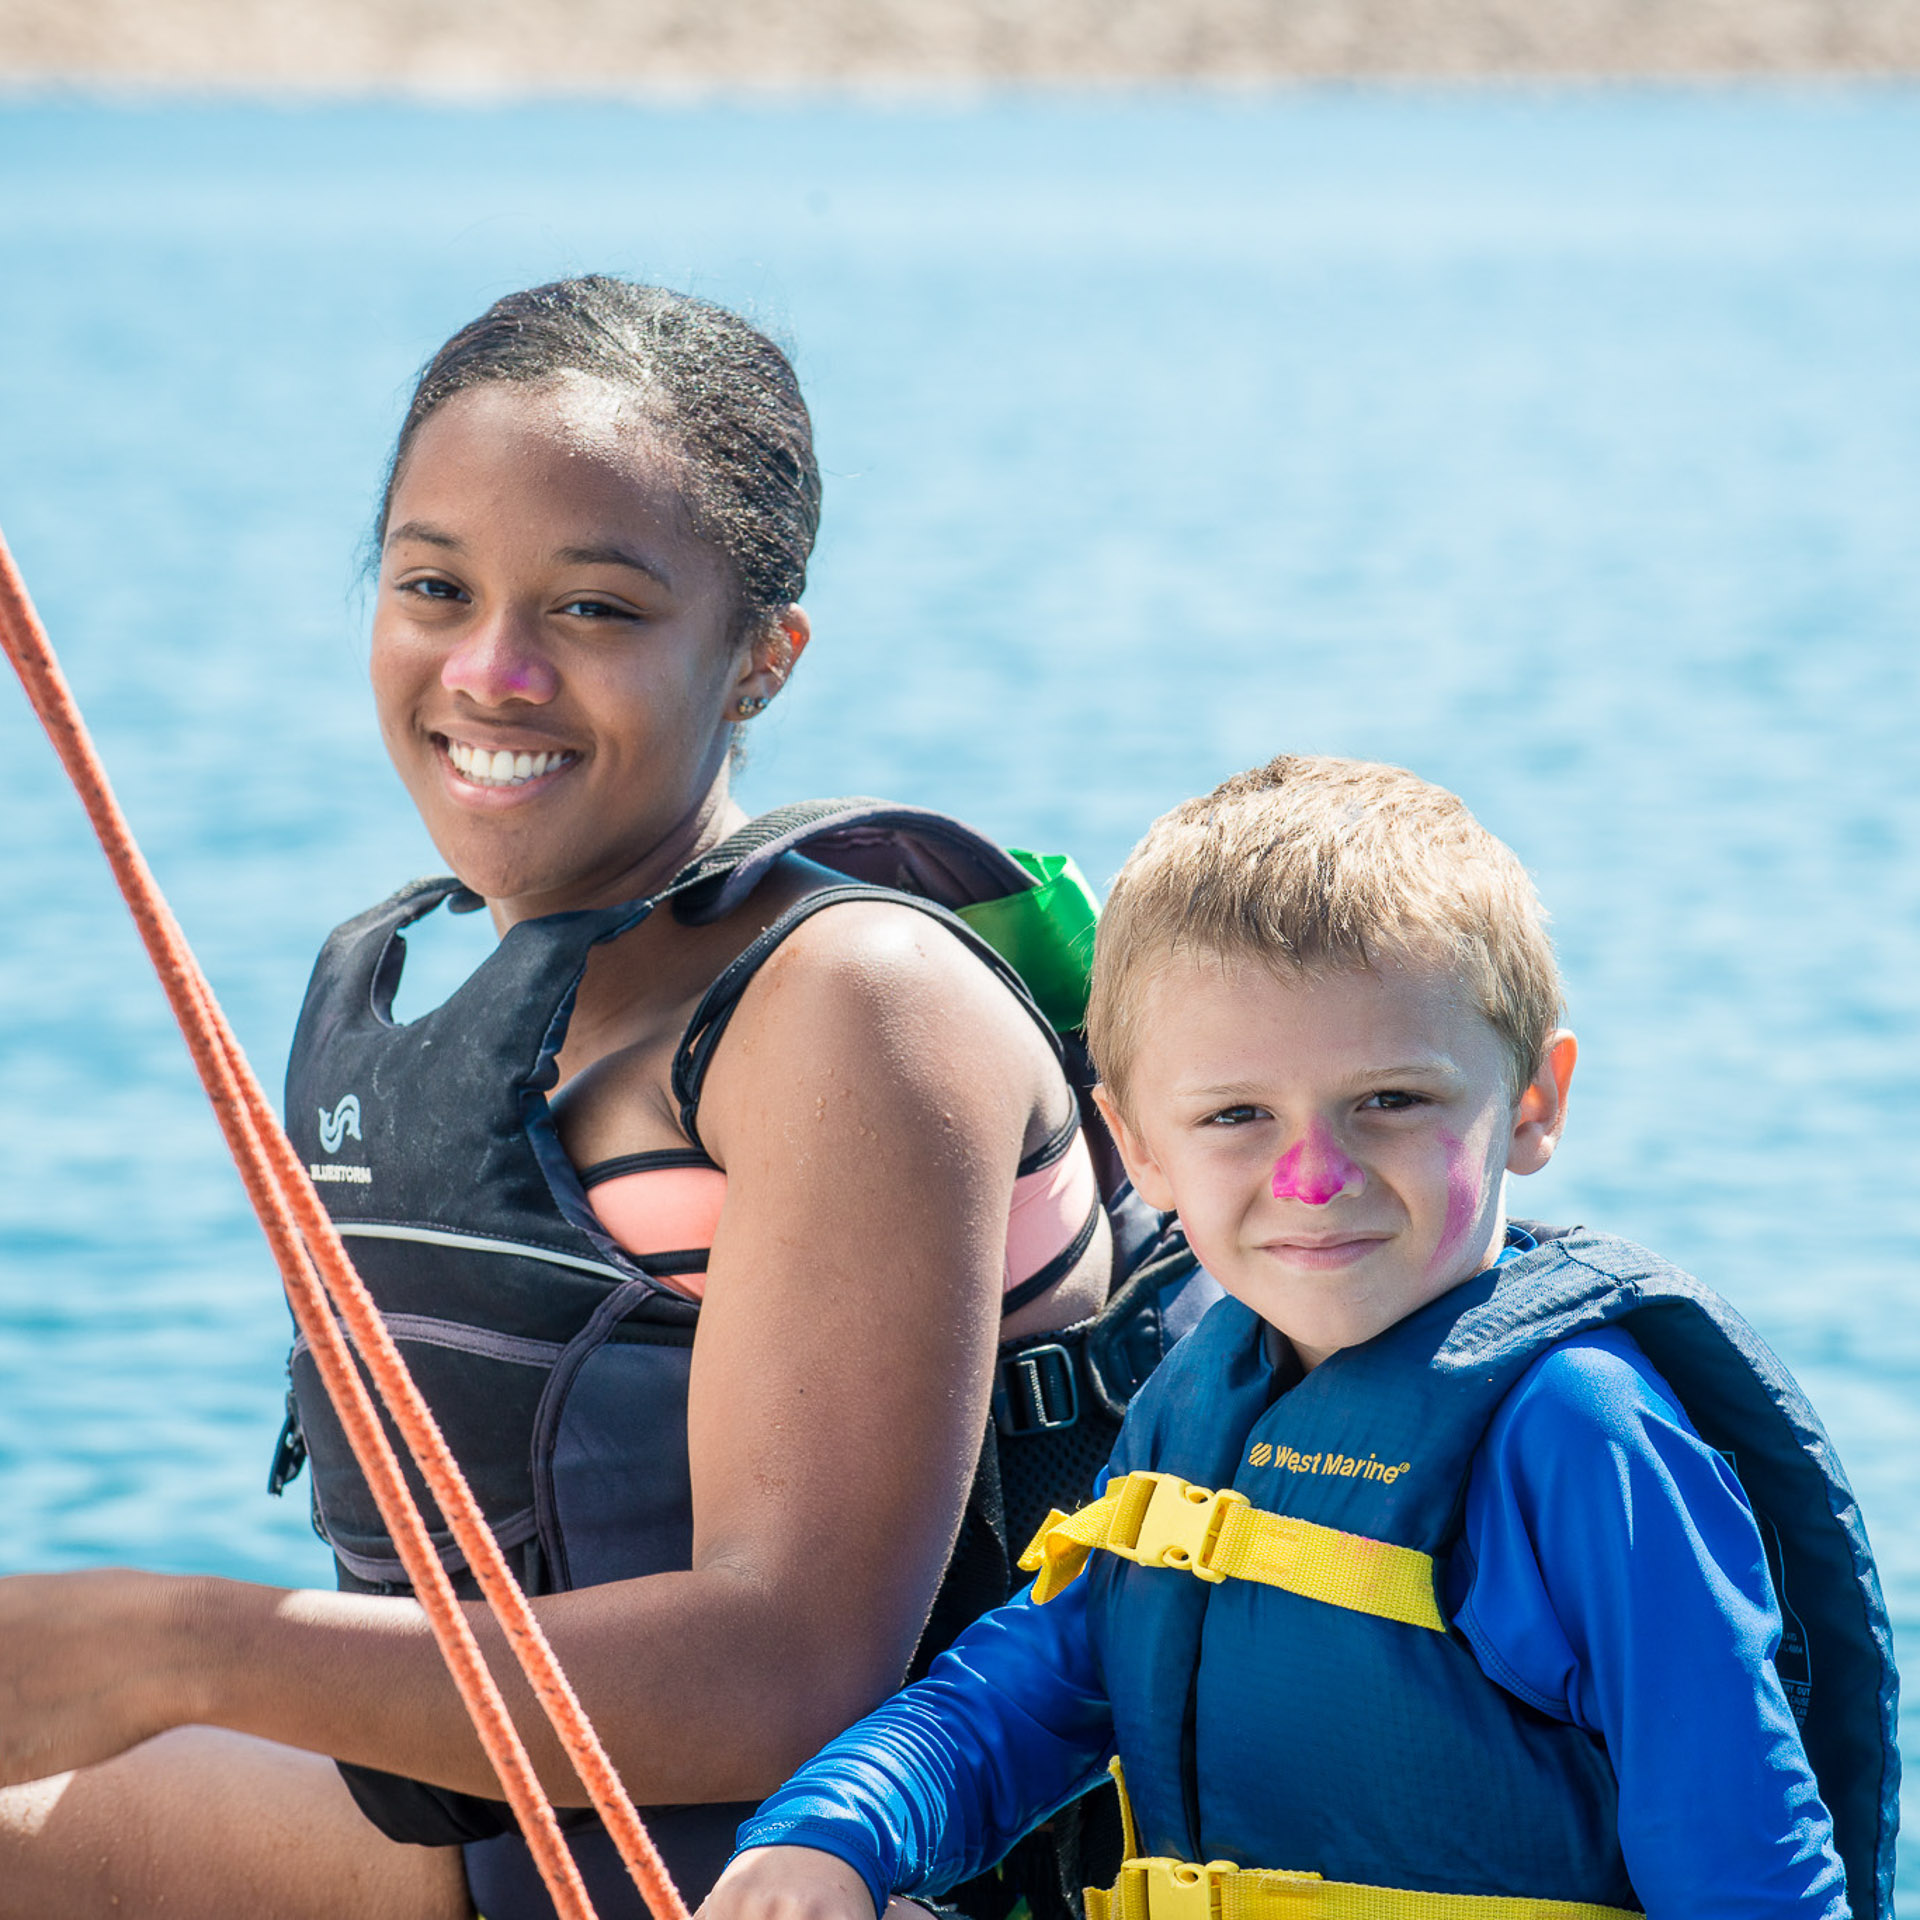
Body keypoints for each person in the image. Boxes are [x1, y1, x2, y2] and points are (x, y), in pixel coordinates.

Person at [0, 278, 1183, 1920]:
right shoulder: (423, 982)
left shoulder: (845, 1008)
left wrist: (175, 1651)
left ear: (761, 660)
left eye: (597, 611)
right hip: (495, 1857)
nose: (491, 671)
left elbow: (792, 1671)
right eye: (433, 586)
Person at [703, 755, 1900, 1920]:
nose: (1315, 1177)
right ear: (1141, 1148)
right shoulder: (1194, 1403)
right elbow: (1031, 1692)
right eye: (1236, 1116)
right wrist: (836, 1831)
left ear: (1532, 1104)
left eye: (1391, 1100)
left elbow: (1748, 1873)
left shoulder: (1579, 1437)